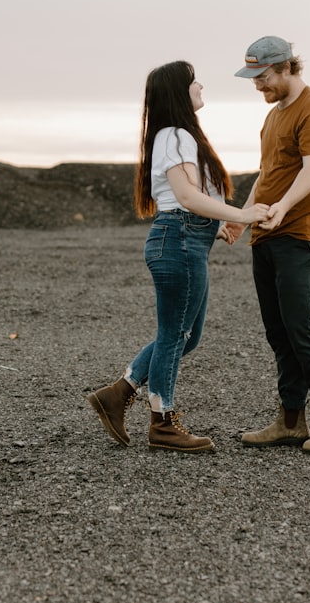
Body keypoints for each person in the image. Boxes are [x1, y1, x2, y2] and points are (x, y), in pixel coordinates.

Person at [86, 60, 265, 452]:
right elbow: (184, 198)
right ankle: (162, 423)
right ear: (177, 92)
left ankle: (119, 392)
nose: (200, 85)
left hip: (186, 238)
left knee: (188, 335)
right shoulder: (174, 135)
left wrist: (218, 224)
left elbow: (189, 197)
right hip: (179, 239)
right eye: (192, 80)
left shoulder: (178, 136)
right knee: (174, 335)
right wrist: (243, 214)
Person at [224, 36, 310, 454]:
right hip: (267, 233)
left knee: (301, 325)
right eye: (254, 80)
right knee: (279, 332)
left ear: (286, 68)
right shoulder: (274, 116)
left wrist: (283, 207)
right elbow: (268, 174)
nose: (258, 86)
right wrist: (242, 218)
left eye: (262, 78)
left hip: (302, 233)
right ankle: (290, 420)